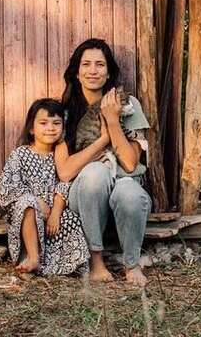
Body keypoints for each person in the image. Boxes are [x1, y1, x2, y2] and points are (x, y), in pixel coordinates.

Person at [55, 38, 152, 287]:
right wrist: (103, 141)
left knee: (130, 192)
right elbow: (65, 173)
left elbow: (130, 164)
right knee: (95, 173)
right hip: (86, 193)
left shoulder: (129, 106)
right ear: (77, 72)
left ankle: (132, 264)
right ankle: (96, 261)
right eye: (86, 64)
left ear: (109, 72)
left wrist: (111, 120)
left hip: (122, 180)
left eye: (100, 64)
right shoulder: (63, 112)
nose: (93, 70)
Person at [0, 98, 90, 276]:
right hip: (27, 214)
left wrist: (56, 212)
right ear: (32, 128)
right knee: (28, 206)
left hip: (55, 212)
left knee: (72, 219)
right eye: (43, 123)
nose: (50, 128)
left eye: (56, 123)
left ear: (63, 128)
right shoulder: (20, 154)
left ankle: (68, 263)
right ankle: (33, 257)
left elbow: (66, 184)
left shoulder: (61, 155)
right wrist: (37, 201)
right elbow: (8, 186)